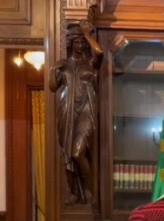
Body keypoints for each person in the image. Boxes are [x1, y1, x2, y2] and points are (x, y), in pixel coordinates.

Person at [48, 20, 103, 204]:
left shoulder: (90, 63)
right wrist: (53, 70)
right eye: (76, 42)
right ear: (70, 43)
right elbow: (52, 87)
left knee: (78, 152)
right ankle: (73, 191)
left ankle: (88, 188)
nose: (79, 45)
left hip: (87, 109)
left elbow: (99, 52)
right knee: (67, 153)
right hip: (67, 110)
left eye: (82, 42)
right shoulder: (64, 65)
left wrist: (88, 34)